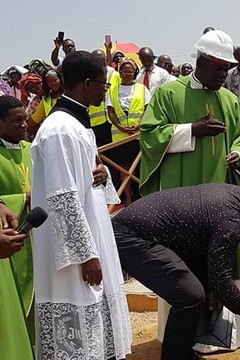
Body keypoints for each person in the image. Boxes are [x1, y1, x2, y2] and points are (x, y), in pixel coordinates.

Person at [113, 164, 240, 360]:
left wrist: (212, 289)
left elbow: (199, 253)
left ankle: (183, 353)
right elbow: (220, 280)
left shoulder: (232, 198)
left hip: (138, 235)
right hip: (130, 238)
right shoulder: (231, 220)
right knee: (190, 295)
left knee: (197, 291)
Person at [139, 30, 240, 352]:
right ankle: (181, 338)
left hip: (220, 204)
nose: (222, 74)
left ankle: (223, 335)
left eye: (226, 69)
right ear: (200, 62)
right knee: (181, 266)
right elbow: (149, 136)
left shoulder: (230, 100)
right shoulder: (168, 94)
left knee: (219, 260)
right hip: (181, 202)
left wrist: (239, 154)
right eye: (217, 68)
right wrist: (191, 130)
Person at [30, 50, 132, 360]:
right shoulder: (60, 130)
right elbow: (63, 197)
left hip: (92, 231)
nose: (106, 89)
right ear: (87, 84)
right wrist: (86, 255)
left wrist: (101, 176)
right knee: (75, 328)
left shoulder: (75, 125)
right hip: (73, 252)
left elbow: (85, 180)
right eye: (104, 83)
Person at [0, 96, 34, 360]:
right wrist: (22, 200)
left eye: (25, 119)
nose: (24, 125)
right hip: (8, 239)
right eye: (16, 121)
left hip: (36, 236)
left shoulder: (31, 149)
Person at [106, 57, 150, 204]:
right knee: (123, 168)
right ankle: (128, 198)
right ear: (119, 72)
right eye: (124, 71)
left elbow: (147, 108)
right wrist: (120, 126)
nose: (127, 74)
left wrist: (139, 125)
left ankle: (140, 197)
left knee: (138, 166)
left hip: (137, 134)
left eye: (130, 71)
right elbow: (110, 110)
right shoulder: (112, 90)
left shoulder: (142, 88)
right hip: (120, 135)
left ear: (135, 72)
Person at [89, 49, 120, 147]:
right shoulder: (88, 76)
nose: (100, 62)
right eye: (97, 59)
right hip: (95, 122)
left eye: (102, 59)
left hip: (113, 121)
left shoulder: (115, 74)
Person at [27, 69, 63, 137]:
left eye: (55, 80)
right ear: (46, 84)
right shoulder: (46, 101)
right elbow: (30, 124)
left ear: (60, 79)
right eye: (49, 81)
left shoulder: (68, 95)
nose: (53, 83)